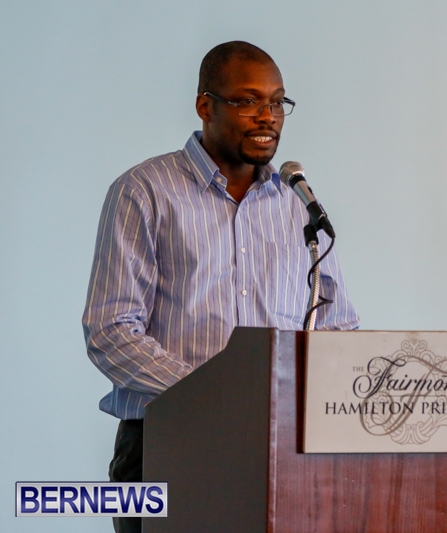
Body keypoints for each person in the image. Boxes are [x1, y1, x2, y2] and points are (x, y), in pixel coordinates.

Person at [82, 41, 359, 533]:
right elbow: (112, 330)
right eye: (248, 101)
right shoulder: (144, 191)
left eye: (277, 102)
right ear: (205, 105)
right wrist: (215, 397)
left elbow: (337, 327)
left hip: (281, 450)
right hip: (169, 442)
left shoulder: (298, 205)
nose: (267, 116)